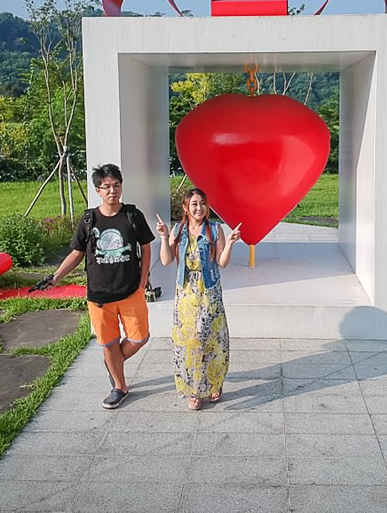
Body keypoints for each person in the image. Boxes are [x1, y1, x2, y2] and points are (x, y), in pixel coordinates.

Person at [45, 163, 155, 409]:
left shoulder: (132, 215)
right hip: (99, 295)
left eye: (116, 185)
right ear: (98, 190)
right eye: (106, 187)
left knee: (140, 338)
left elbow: (146, 247)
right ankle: (120, 387)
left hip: (131, 291)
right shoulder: (89, 219)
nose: (112, 191)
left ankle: (113, 362)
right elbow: (77, 253)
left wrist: (143, 279)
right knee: (109, 342)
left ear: (121, 187)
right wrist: (56, 276)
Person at [156, 188, 241, 410]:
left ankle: (214, 382)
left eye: (202, 203)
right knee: (189, 339)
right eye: (194, 204)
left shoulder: (215, 229)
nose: (199, 208)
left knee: (211, 337)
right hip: (186, 292)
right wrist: (164, 237)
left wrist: (230, 243)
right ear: (185, 207)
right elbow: (166, 260)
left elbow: (222, 262)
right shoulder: (178, 230)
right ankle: (194, 389)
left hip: (209, 290)